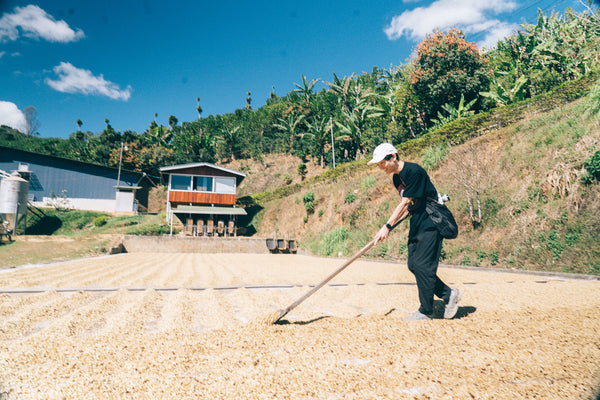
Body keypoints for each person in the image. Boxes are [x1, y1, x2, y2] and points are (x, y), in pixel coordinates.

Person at [369, 143, 462, 321]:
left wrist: (387, 226)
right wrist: (389, 227)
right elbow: (408, 207)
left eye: (383, 163)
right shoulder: (396, 179)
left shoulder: (414, 171)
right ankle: (449, 294)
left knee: (423, 266)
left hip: (431, 220)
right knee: (413, 265)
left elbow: (405, 202)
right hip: (417, 220)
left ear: (393, 157)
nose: (381, 167)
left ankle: (426, 311)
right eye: (379, 164)